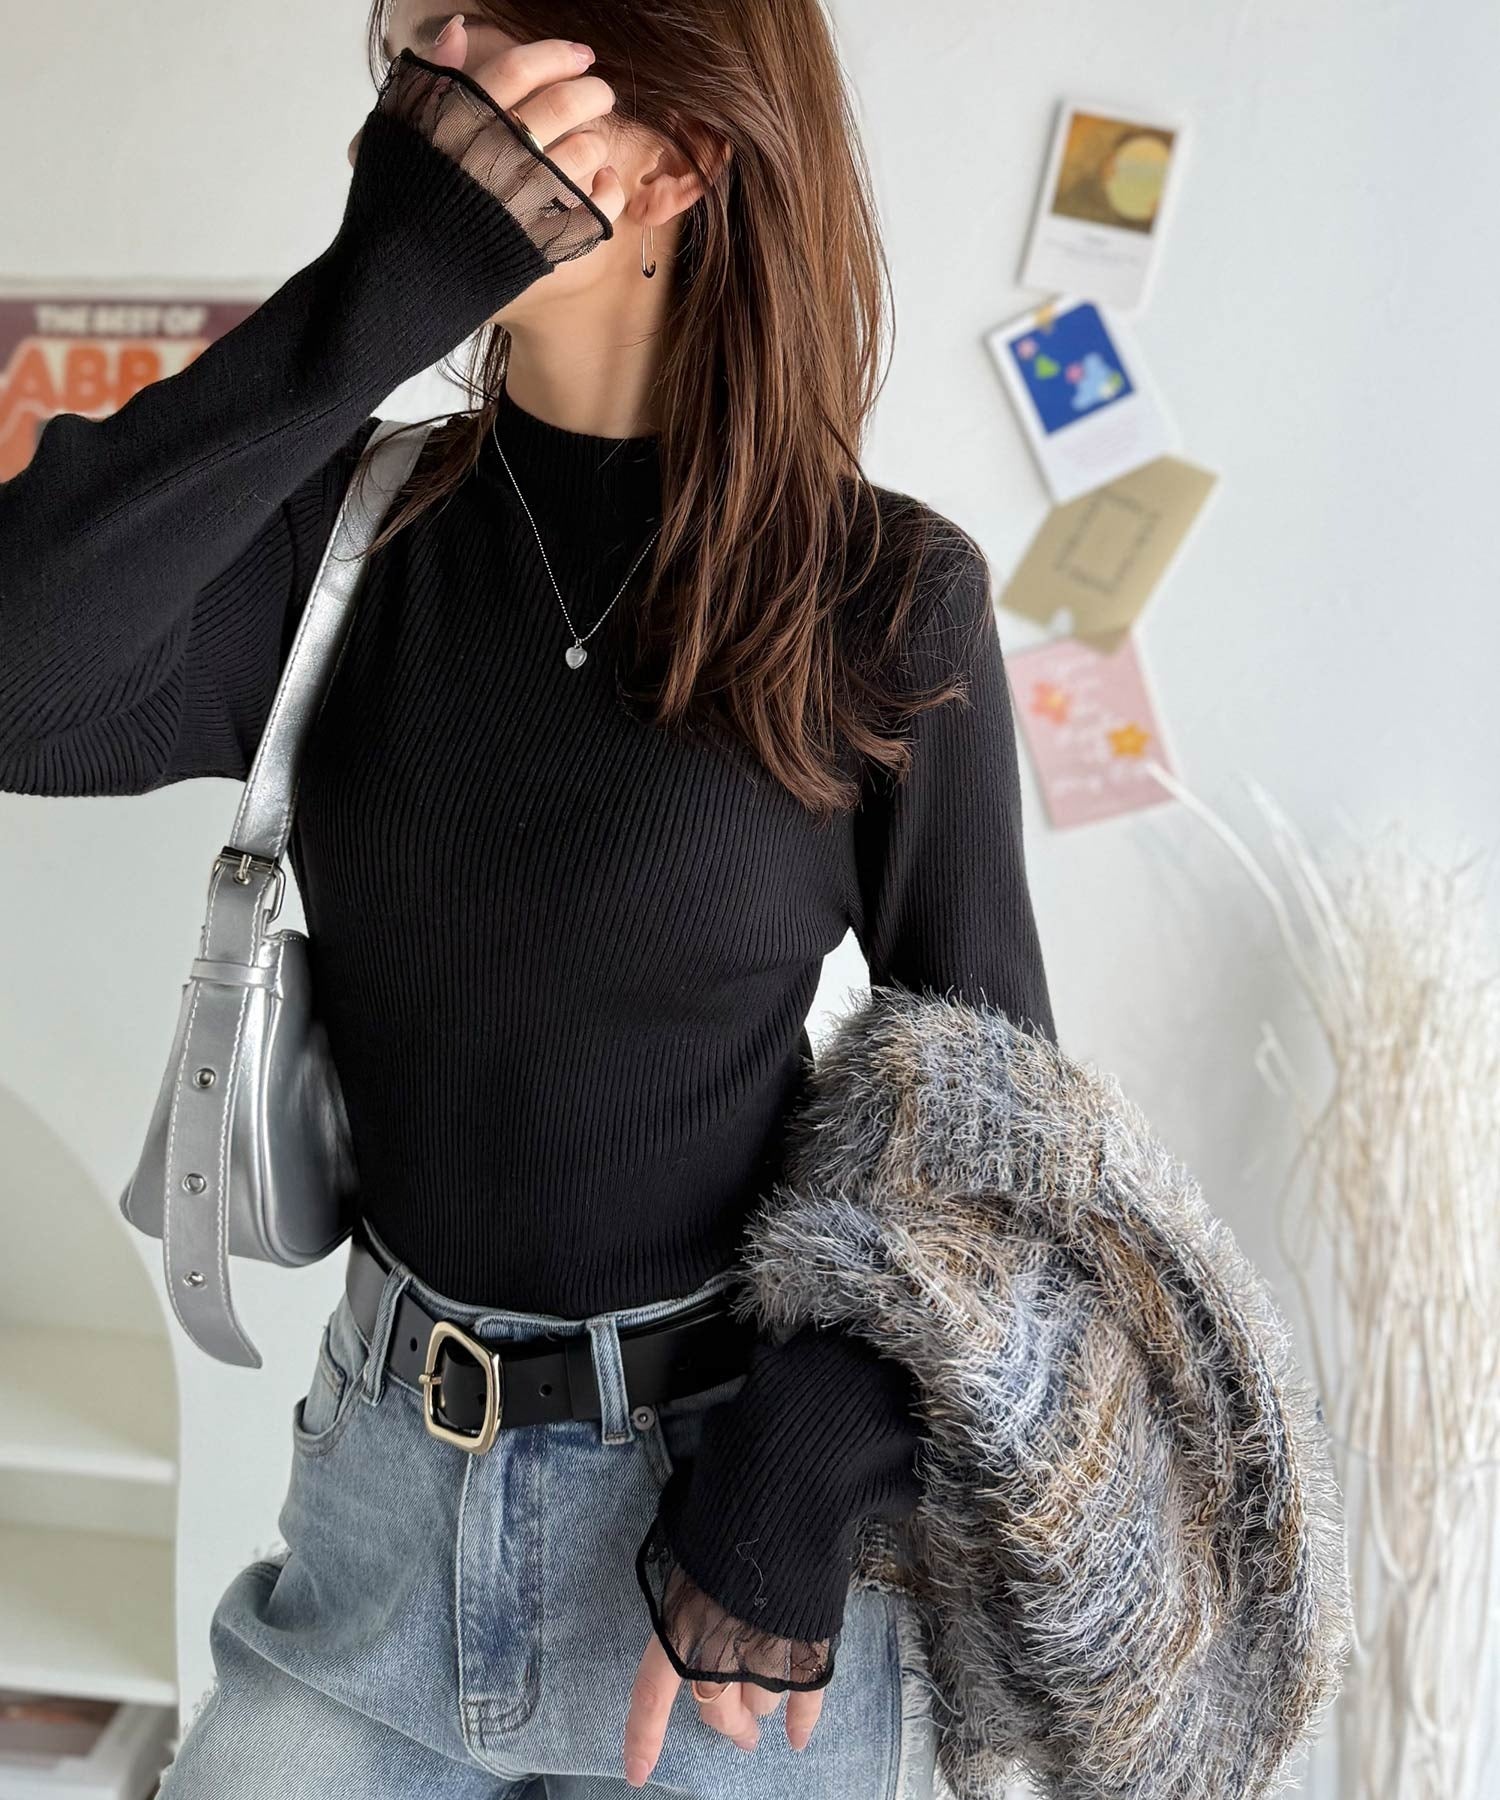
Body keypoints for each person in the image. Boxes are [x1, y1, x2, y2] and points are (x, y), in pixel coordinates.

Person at [0, 4, 1055, 1795]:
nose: (424, 131)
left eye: (483, 80)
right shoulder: (352, 548)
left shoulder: (883, 600)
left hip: (726, 1568)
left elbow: (998, 1139)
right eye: (415, 79)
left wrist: (801, 1480)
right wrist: (371, 295)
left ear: (679, 161)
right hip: (378, 1509)